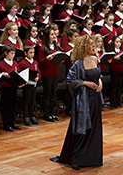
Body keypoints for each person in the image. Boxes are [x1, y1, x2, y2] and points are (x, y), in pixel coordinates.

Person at [53, 35, 103, 170]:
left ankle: (91, 157)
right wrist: (85, 83)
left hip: (95, 98)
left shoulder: (95, 59)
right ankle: (76, 157)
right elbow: (70, 80)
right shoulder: (78, 63)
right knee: (82, 127)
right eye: (91, 44)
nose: (93, 46)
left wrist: (100, 82)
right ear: (84, 46)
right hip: (83, 99)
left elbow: (98, 75)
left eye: (93, 44)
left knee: (93, 127)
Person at [19, 45, 41, 126]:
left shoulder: (35, 62)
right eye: (30, 52)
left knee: (32, 101)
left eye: (33, 53)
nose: (32, 54)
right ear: (25, 53)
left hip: (33, 85)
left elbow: (38, 72)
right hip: (26, 85)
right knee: (26, 102)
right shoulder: (22, 63)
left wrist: (37, 77)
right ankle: (26, 117)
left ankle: (32, 116)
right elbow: (20, 74)